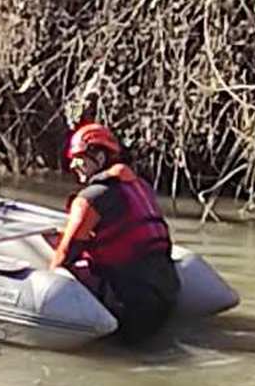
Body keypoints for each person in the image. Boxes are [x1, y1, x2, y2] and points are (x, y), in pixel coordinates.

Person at [49, 123, 180, 343]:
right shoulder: (141, 187)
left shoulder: (90, 199)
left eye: (78, 157)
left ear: (99, 157)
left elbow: (65, 255)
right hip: (166, 294)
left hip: (129, 306)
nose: (72, 165)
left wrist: (48, 282)